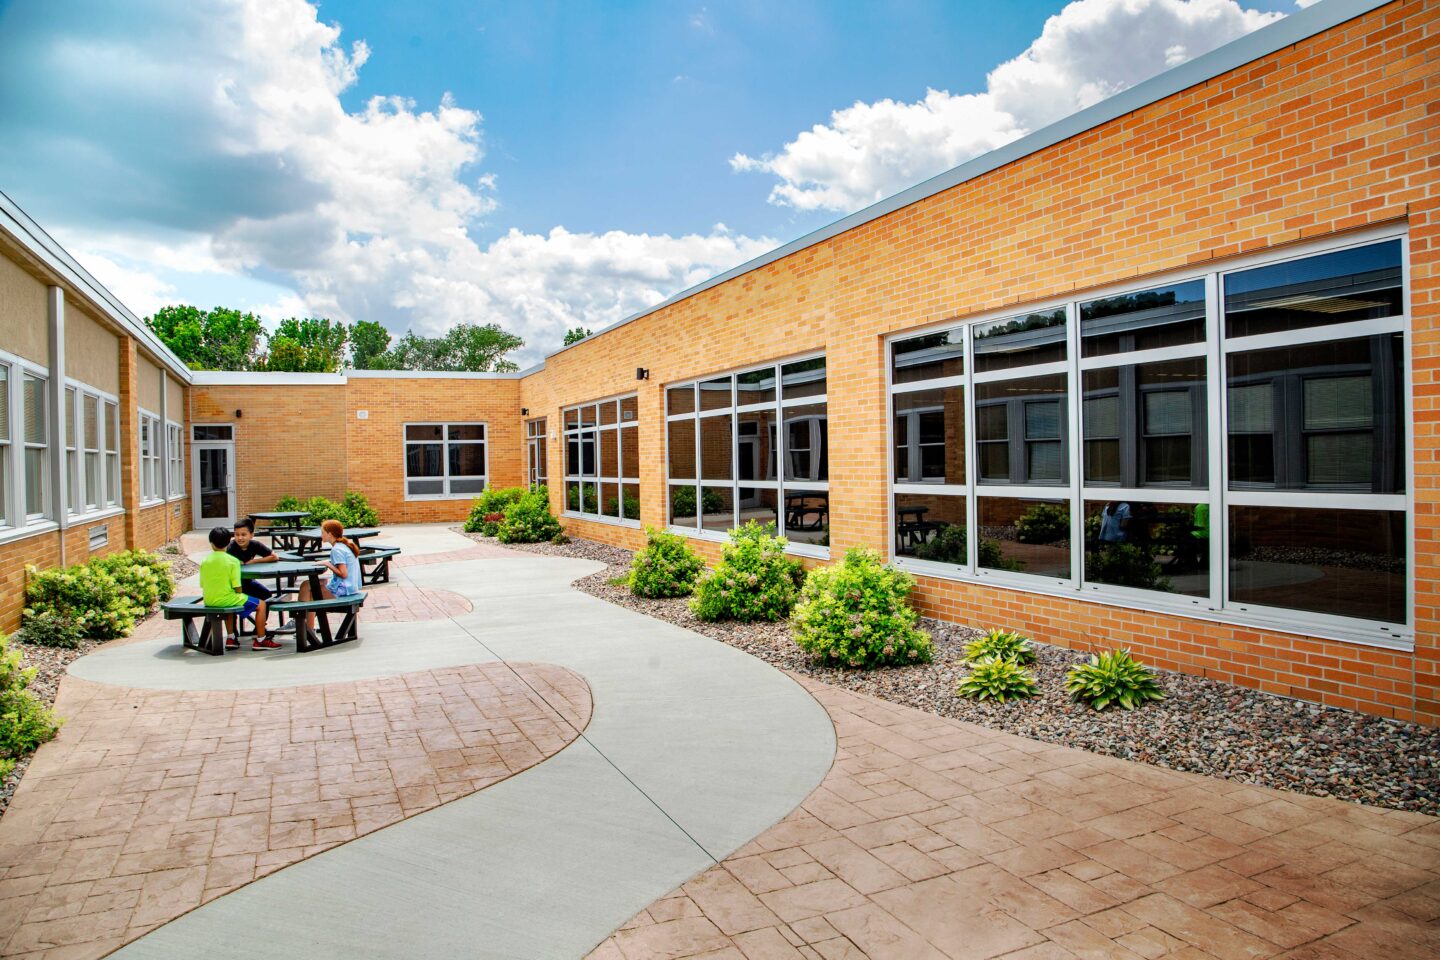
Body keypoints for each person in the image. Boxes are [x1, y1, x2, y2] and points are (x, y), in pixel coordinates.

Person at [200, 526, 278, 651]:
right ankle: (261, 640)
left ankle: (231, 638)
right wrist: (240, 598)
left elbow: (202, 584)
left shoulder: (205, 560)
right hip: (227, 598)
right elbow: (237, 587)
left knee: (230, 605)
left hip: (209, 600)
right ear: (228, 541)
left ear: (211, 543)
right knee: (261, 604)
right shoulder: (233, 561)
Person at [296, 519, 362, 632]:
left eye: (323, 532)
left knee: (308, 589)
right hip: (351, 588)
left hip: (345, 591)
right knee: (309, 585)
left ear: (330, 534)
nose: (321, 535)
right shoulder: (343, 546)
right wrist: (328, 562)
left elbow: (343, 573)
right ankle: (307, 628)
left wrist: (328, 563)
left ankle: (302, 624)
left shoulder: (336, 550)